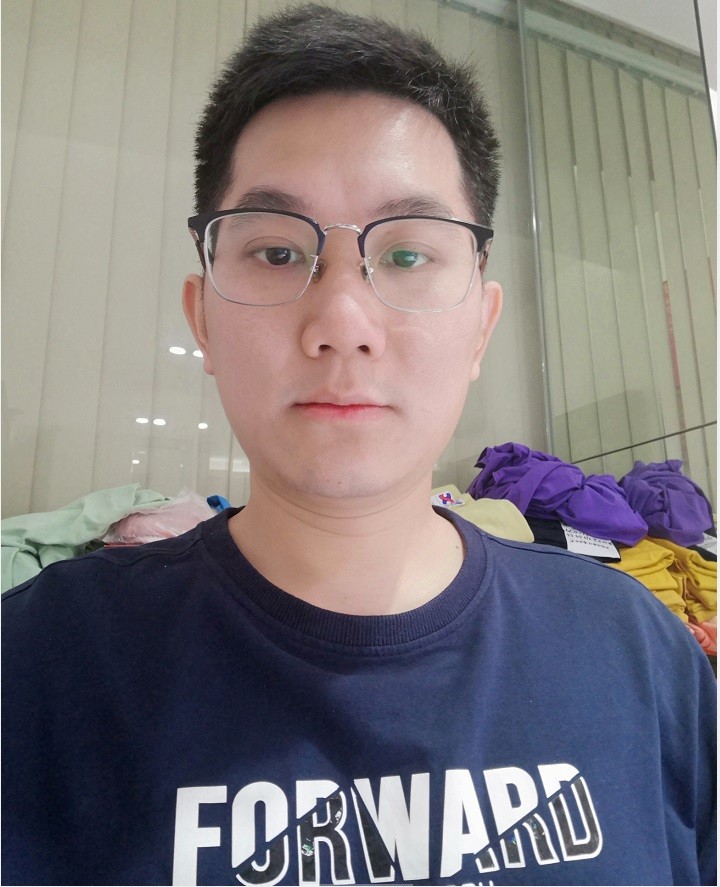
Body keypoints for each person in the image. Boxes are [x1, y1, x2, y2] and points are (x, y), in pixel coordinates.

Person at [1, 4, 715, 885]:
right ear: (203, 319)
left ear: (482, 324)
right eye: (276, 252)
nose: (342, 320)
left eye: (408, 256)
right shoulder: (37, 672)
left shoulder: (637, 655)